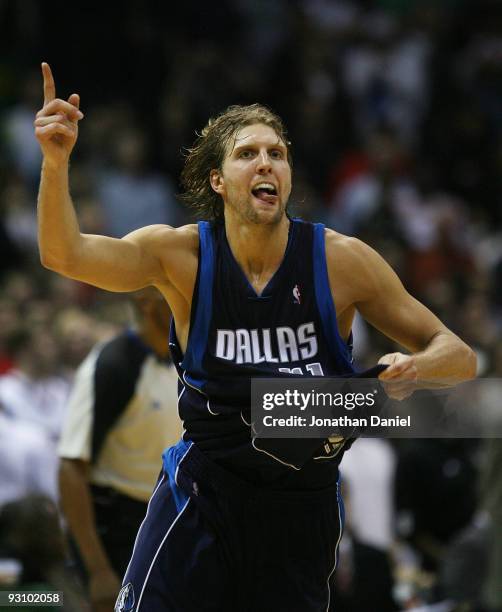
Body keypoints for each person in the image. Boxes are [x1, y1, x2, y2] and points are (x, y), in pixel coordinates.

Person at [35, 62, 476, 612]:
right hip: (204, 494)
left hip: (300, 506)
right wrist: (55, 163)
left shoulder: (341, 261)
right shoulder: (183, 257)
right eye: (247, 154)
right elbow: (63, 254)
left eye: (277, 154)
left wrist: (419, 369)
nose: (266, 162)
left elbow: (459, 355)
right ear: (218, 180)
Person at [57, 288, 182, 612]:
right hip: (119, 528)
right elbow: (70, 469)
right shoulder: (112, 363)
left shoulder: (194, 357)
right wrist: (98, 570)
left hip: (174, 521)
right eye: (174, 290)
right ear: (144, 301)